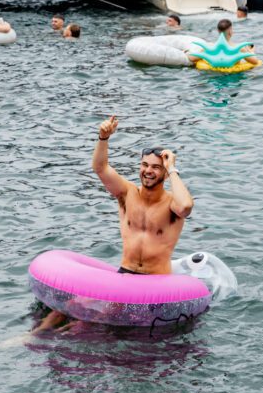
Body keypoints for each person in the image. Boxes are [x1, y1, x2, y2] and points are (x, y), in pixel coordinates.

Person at [33, 115, 193, 332]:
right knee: (68, 307)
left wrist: (172, 167)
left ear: (164, 172)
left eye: (156, 167)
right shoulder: (127, 193)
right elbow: (100, 168)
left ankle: (63, 340)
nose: (148, 170)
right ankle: (33, 336)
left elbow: (186, 207)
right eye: (144, 164)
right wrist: (103, 138)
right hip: (124, 274)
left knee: (89, 322)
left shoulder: (172, 204)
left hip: (155, 283)